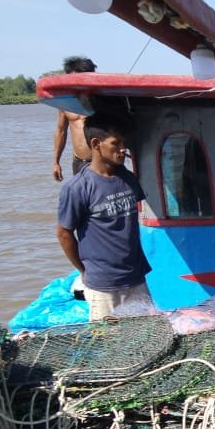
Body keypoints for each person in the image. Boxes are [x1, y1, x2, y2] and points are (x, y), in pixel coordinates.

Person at [56, 112, 154, 321]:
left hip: (136, 278)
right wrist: (84, 270)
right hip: (103, 286)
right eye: (116, 143)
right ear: (96, 144)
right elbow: (64, 234)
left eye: (123, 143)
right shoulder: (78, 187)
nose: (123, 149)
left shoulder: (128, 179)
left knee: (146, 333)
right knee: (107, 338)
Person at [52, 56, 96, 182]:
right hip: (80, 162)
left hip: (103, 161)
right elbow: (61, 131)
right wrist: (56, 162)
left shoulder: (102, 100)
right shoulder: (65, 103)